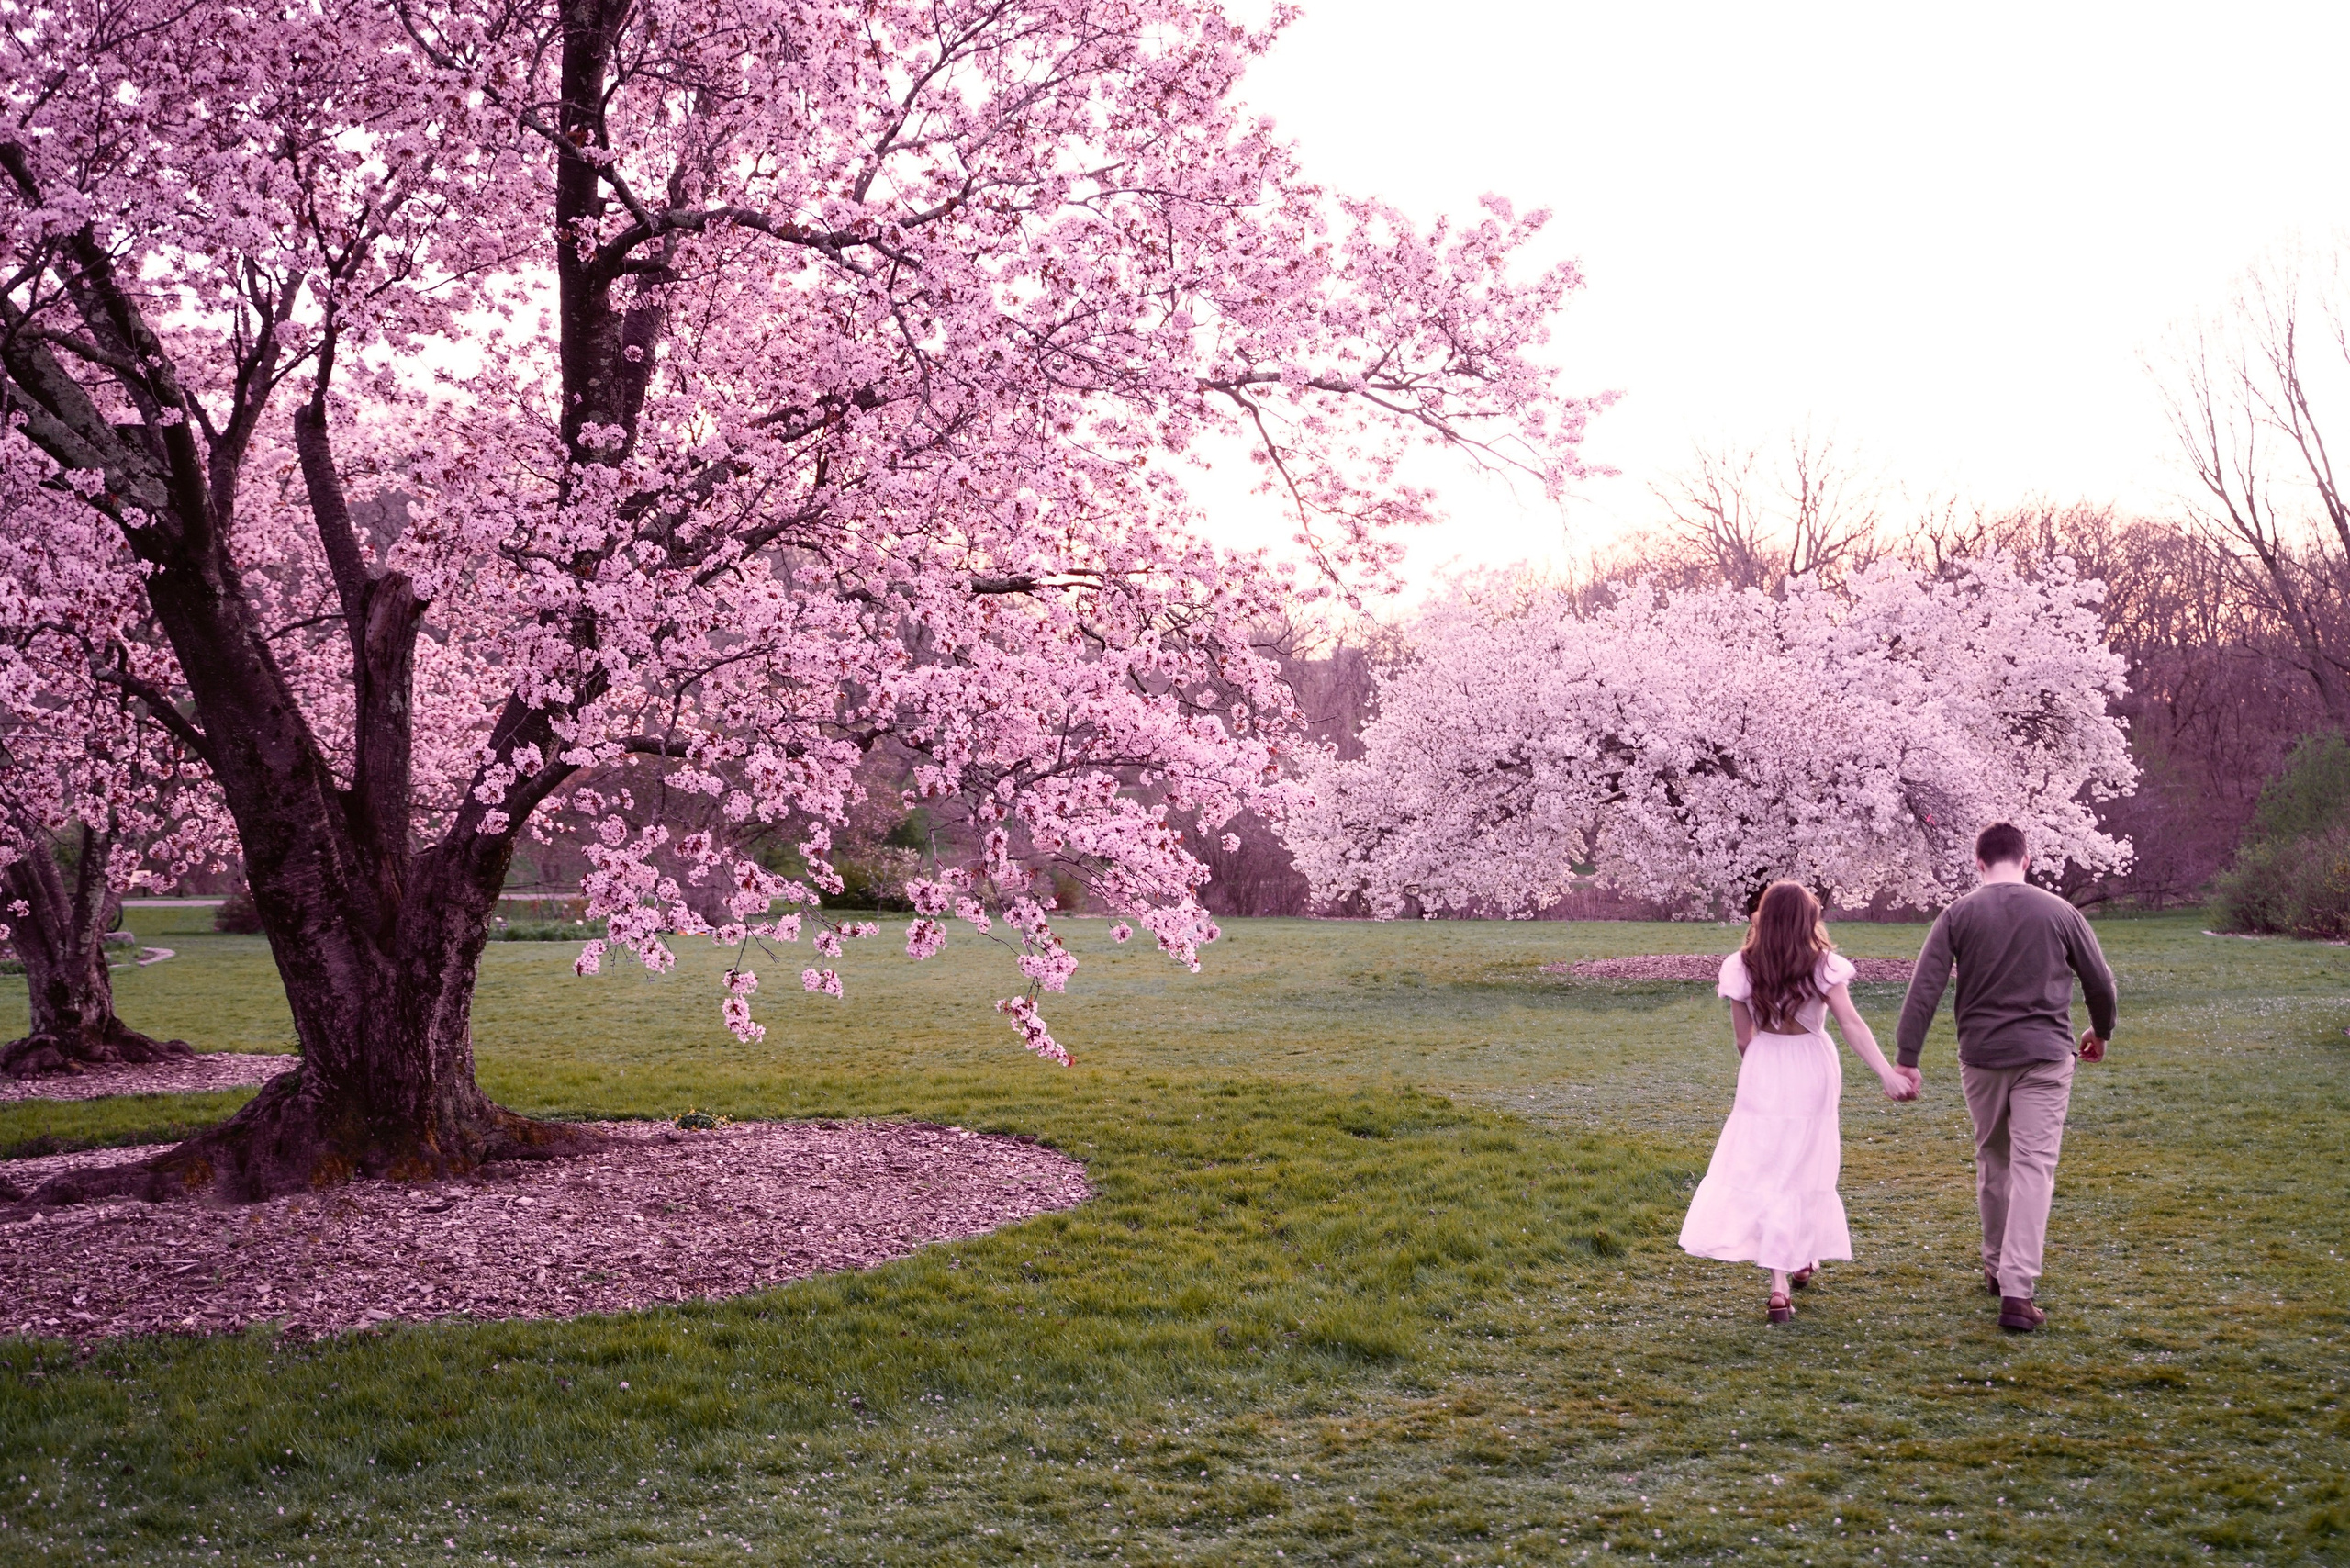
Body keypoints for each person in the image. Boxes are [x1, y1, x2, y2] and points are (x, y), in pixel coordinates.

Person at [1896, 821, 2118, 1333]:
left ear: (1979, 863)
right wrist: (2101, 1031)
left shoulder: (1958, 914)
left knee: (1993, 1158)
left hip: (1982, 1056)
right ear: (2027, 860)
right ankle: (2018, 1289)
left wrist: (1908, 1056)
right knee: (2034, 1167)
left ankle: (1997, 1266)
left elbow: (1925, 986)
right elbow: (2100, 983)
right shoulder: (2060, 912)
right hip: (2046, 1055)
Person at [1680, 880, 1921, 1324]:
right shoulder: (1822, 964)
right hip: (1812, 1064)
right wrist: (1886, 1073)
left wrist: (1763, 1070)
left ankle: (1780, 1285)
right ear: (1807, 920)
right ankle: (1799, 1257)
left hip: (1763, 1064)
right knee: (1806, 1164)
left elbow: (1743, 1039)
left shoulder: (1741, 965)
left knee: (1770, 1166)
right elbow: (1850, 1023)